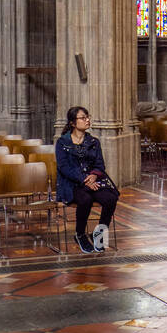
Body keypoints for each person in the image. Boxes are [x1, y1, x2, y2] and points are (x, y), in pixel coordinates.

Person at [55, 107, 119, 255]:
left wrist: (94, 176)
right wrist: (84, 179)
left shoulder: (93, 142)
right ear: (72, 123)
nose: (87, 120)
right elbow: (64, 167)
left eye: (87, 117)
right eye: (83, 118)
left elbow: (100, 164)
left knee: (111, 198)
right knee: (85, 200)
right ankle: (80, 235)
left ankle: (99, 233)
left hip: (94, 180)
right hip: (73, 183)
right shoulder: (62, 143)